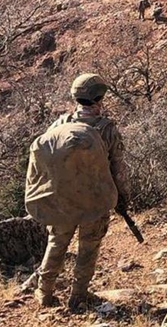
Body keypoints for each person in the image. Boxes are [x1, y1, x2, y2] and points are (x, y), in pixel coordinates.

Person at [33, 74, 131, 311]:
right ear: (100, 97)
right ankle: (79, 295)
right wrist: (122, 197)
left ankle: (44, 292)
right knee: (89, 246)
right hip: (95, 201)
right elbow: (118, 169)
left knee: (56, 242)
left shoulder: (59, 124)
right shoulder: (106, 129)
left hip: (63, 200)